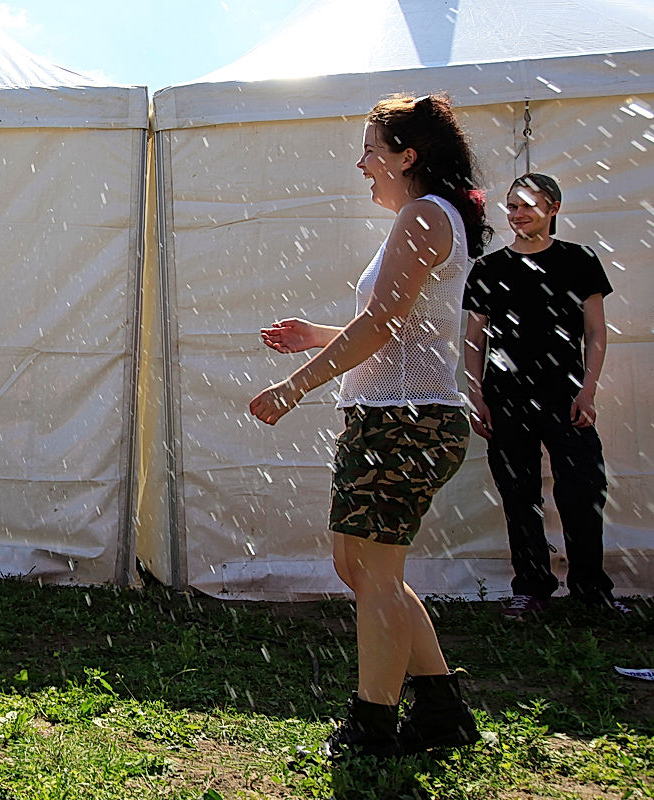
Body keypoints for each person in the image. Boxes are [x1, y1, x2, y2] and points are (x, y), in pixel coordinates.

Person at [249, 94, 490, 757]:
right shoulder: (427, 217)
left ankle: (374, 724)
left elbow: (383, 324)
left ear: (406, 157)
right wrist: (317, 337)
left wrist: (296, 387)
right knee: (356, 564)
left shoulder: (423, 216)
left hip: (408, 423)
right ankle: (441, 710)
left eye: (371, 149)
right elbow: (399, 329)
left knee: (376, 573)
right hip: (394, 417)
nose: (361, 164)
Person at [463, 173, 629, 619]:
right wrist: (477, 396)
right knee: (519, 496)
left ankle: (592, 591)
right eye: (512, 207)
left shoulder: (579, 261)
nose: (518, 215)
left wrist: (588, 390)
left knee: (583, 492)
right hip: (506, 401)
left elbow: (596, 332)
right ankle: (532, 587)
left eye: (528, 206)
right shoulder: (488, 269)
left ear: (553, 207)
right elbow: (474, 339)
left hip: (567, 399)